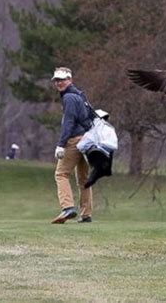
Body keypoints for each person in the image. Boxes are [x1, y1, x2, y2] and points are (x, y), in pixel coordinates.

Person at [50, 67, 94, 224]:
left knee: (61, 174)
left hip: (75, 140)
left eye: (61, 80)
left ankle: (67, 207)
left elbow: (68, 123)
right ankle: (86, 214)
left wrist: (61, 145)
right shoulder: (80, 95)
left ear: (69, 79)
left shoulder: (69, 97)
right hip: (87, 139)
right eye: (56, 80)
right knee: (84, 179)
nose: (58, 83)